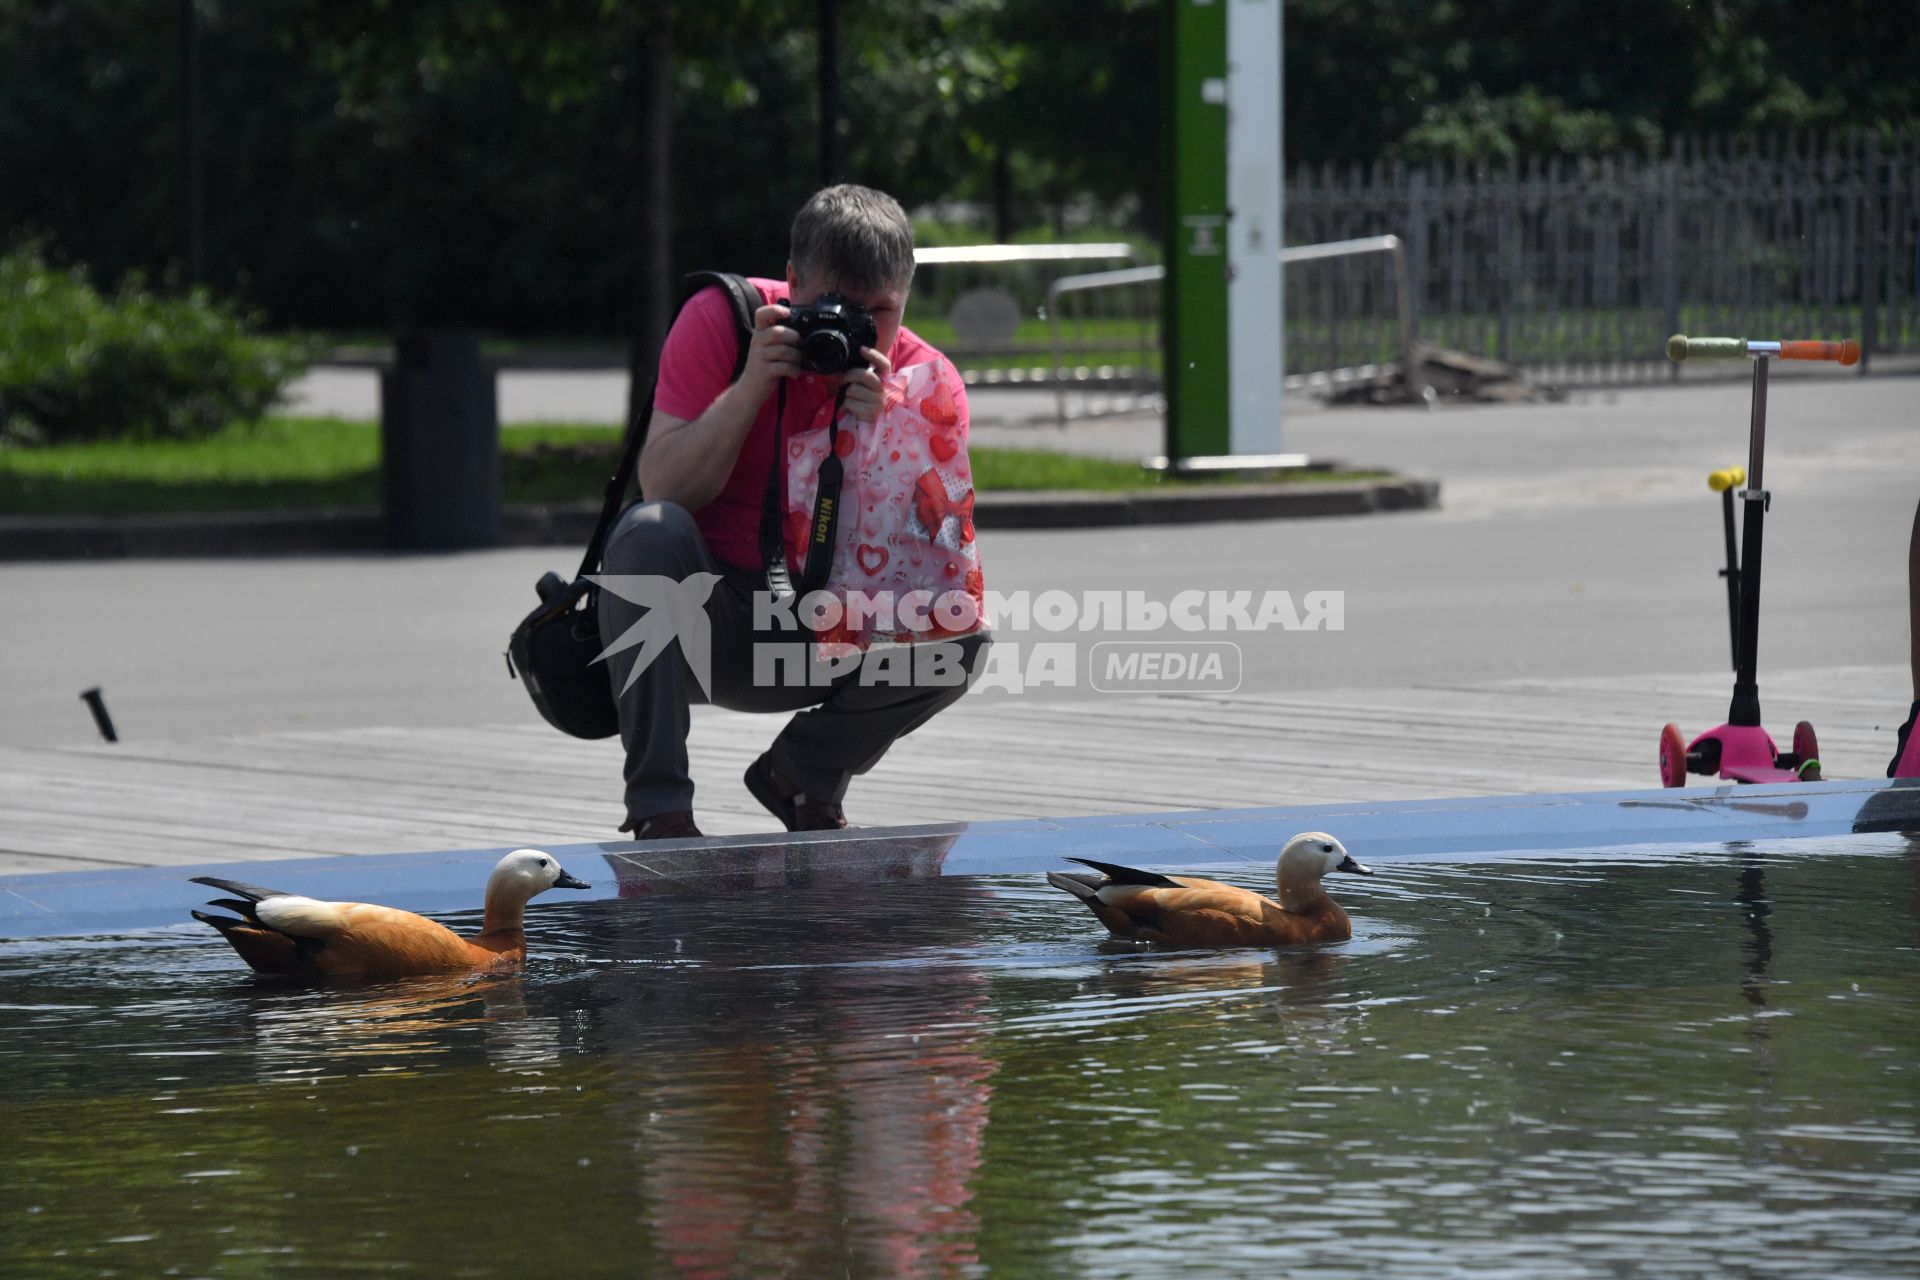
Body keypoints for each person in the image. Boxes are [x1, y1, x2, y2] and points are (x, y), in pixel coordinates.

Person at [597, 184, 987, 839]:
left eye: (881, 313)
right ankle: (660, 811)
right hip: (708, 627)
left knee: (962, 636)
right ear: (792, 282)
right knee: (646, 532)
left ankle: (803, 776)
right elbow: (662, 484)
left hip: (832, 634)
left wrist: (890, 435)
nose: (856, 333)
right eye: (836, 310)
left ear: (908, 294)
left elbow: (939, 564)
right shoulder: (725, 320)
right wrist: (752, 386)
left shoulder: (926, 382)